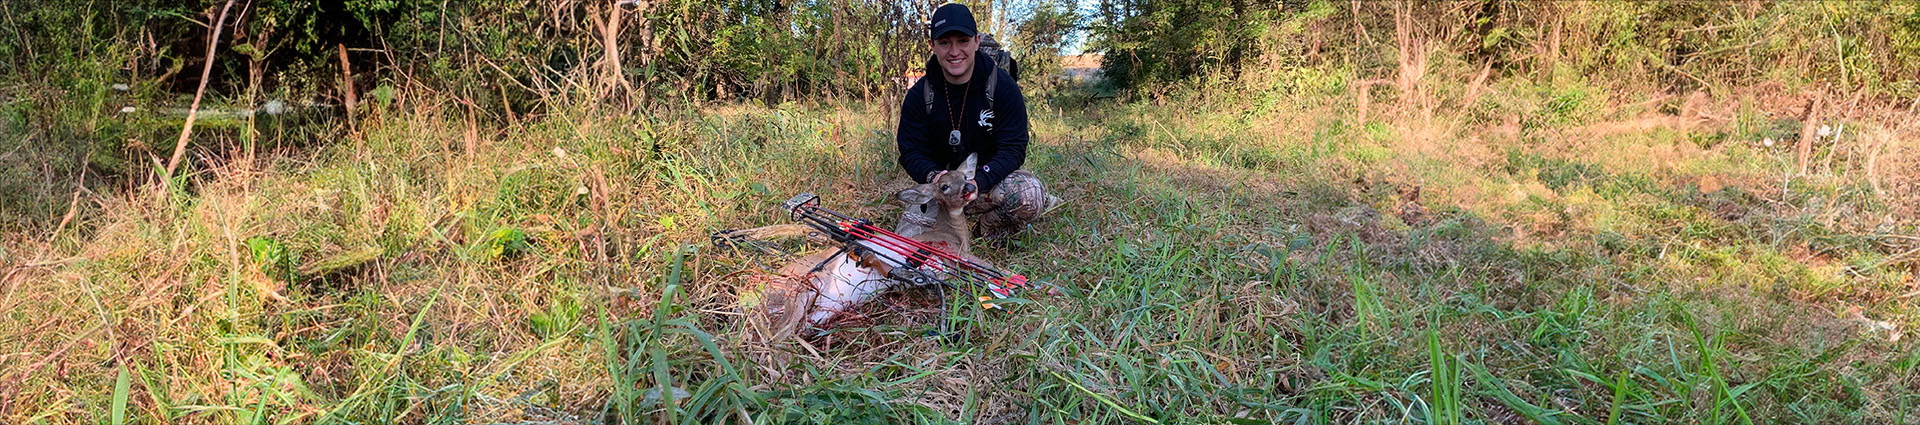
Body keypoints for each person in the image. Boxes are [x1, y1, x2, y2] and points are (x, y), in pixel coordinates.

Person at [896, 3, 1058, 238]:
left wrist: (979, 180)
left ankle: (986, 229)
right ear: (932, 46)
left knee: (1028, 195)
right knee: (906, 244)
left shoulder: (1002, 87)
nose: (954, 51)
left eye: (962, 40)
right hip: (942, 192)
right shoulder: (919, 95)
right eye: (944, 43)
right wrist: (933, 176)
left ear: (976, 41)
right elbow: (910, 151)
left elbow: (1013, 149)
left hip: (983, 185)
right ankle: (949, 223)